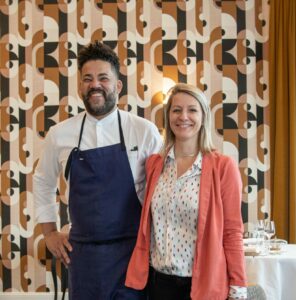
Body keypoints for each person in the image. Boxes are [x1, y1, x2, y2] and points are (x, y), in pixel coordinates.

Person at [33, 41, 162, 299]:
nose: (95, 85)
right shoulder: (60, 134)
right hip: (83, 259)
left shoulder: (143, 131)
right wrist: (49, 233)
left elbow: (161, 190)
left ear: (118, 85)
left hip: (132, 255)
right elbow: (43, 182)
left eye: (104, 78)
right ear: (80, 86)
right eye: (88, 79)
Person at [125, 83, 247, 300]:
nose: (184, 116)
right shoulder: (155, 165)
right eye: (176, 110)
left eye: (192, 109)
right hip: (157, 284)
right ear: (168, 116)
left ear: (203, 117)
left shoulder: (223, 167)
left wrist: (238, 287)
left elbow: (232, 232)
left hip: (201, 286)